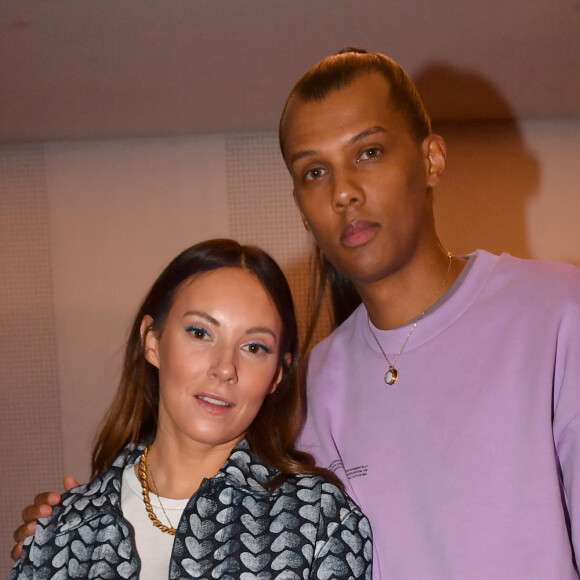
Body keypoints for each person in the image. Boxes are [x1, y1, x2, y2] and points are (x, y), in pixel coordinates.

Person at [13, 47, 580, 578]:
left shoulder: (557, 313)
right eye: (315, 171)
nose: (343, 192)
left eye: (368, 152)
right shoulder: (311, 382)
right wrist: (67, 528)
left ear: (431, 159)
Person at [9, 238, 372, 579]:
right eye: (200, 333)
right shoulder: (66, 527)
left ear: (276, 375)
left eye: (254, 347)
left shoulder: (321, 520)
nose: (225, 368)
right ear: (152, 341)